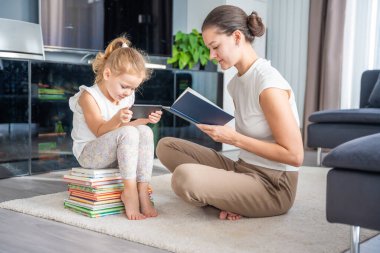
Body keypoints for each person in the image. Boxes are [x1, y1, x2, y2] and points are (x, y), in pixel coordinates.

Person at [156, 5, 304, 221]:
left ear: (237, 37)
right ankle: (229, 197)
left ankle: (230, 198)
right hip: (242, 168)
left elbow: (295, 156)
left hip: (274, 185)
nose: (211, 55)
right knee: (166, 146)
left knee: (184, 177)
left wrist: (233, 138)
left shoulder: (268, 84)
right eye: (208, 48)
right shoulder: (235, 84)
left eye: (215, 47)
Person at [69, 36, 162, 220]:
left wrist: (144, 121)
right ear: (107, 74)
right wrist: (117, 119)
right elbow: (99, 130)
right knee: (128, 131)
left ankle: (142, 190)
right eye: (125, 86)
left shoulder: (126, 96)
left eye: (133, 89)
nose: (128, 93)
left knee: (145, 131)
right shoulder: (88, 97)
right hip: (89, 154)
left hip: (116, 152)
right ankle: (129, 192)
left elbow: (126, 131)